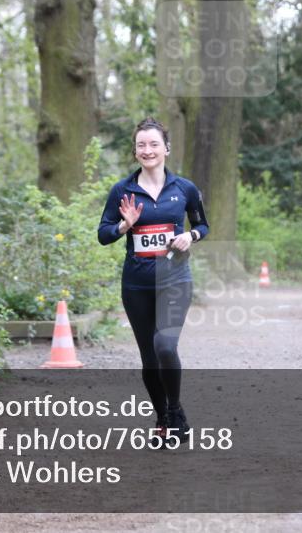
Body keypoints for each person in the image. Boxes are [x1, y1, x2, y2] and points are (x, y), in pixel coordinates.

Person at [98, 117, 209, 445]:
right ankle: (162, 417)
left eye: (154, 144)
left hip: (175, 278)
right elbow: (103, 234)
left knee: (165, 345)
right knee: (148, 356)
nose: (148, 150)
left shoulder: (184, 189)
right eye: (141, 145)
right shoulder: (122, 190)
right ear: (135, 151)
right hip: (137, 285)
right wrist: (123, 226)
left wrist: (190, 235)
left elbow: (203, 225)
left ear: (166, 149)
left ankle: (175, 411)